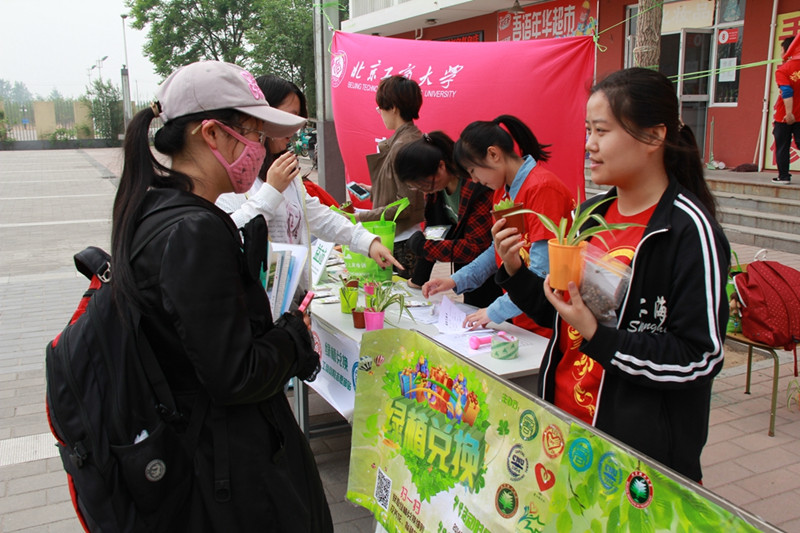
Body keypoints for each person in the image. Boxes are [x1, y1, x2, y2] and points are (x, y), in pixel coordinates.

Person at [112, 60, 333, 531]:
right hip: (226, 471)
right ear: (212, 134)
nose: (260, 149)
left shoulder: (156, 209)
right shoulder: (194, 230)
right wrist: (292, 335)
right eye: (253, 134)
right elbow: (236, 375)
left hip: (208, 457)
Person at [492, 67, 729, 483]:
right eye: (588, 130)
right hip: (566, 431)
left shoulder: (689, 231)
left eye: (601, 131)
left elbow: (699, 357)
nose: (589, 144)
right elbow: (563, 314)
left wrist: (597, 335)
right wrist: (514, 271)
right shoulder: (590, 215)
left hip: (635, 461)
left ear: (653, 137)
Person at [216, 74, 401, 287]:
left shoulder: (286, 171)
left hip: (292, 296)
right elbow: (228, 238)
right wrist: (271, 191)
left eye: (298, 118)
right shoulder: (234, 178)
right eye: (288, 116)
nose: (293, 128)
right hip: (260, 299)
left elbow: (317, 215)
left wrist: (366, 242)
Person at [422, 115, 573, 337]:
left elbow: (542, 271)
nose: (474, 180)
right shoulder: (502, 193)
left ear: (493, 154)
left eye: (473, 171)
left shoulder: (542, 189)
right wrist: (454, 280)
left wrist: (494, 311)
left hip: (548, 321)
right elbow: (497, 251)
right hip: (522, 316)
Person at [394, 131, 502, 308]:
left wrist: (424, 247)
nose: (423, 190)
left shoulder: (477, 186)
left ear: (441, 166)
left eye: (422, 183)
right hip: (469, 278)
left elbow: (475, 247)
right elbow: (434, 231)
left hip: (494, 277)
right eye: (416, 186)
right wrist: (418, 280)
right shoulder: (437, 190)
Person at [352, 75, 426, 278]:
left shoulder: (403, 146)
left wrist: (360, 217)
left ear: (393, 107)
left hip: (401, 242)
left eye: (380, 108)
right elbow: (403, 192)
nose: (380, 113)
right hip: (401, 237)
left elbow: (405, 206)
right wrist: (373, 190)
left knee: (395, 295)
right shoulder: (407, 140)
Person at [773, 34, 800, 183]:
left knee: (782, 146)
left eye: (782, 49)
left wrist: (789, 113)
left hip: (785, 116)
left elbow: (787, 91)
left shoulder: (784, 70)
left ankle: (783, 177)